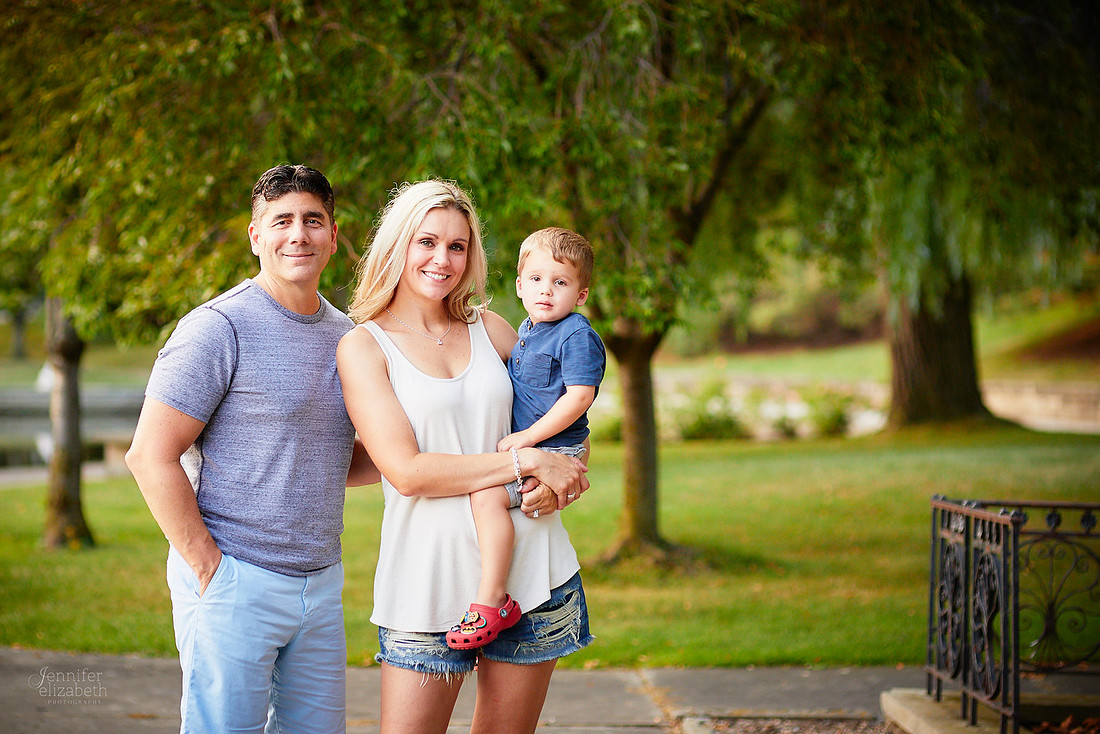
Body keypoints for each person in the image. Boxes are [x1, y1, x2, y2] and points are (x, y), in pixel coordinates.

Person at [126, 164, 378, 733]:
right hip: (234, 576)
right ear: (256, 236)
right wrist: (207, 566)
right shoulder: (218, 328)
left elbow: (330, 456)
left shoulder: (348, 337)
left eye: (313, 220)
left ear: (334, 237)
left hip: (321, 581)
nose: (299, 234)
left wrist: (426, 461)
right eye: (282, 220)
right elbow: (149, 455)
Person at [336, 179, 592, 733]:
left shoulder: (493, 328)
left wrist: (566, 471)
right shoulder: (364, 347)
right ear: (397, 244)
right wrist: (527, 464)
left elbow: (567, 416)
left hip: (533, 574)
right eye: (426, 241)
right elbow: (406, 472)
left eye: (457, 246)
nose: (442, 259)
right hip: (426, 584)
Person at [446, 227, 605, 650]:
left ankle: (493, 599)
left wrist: (530, 439)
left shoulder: (575, 334)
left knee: (488, 497)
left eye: (561, 282)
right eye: (535, 279)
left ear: (581, 294)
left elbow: (580, 396)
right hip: (538, 448)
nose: (546, 291)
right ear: (518, 286)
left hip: (553, 448)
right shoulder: (527, 331)